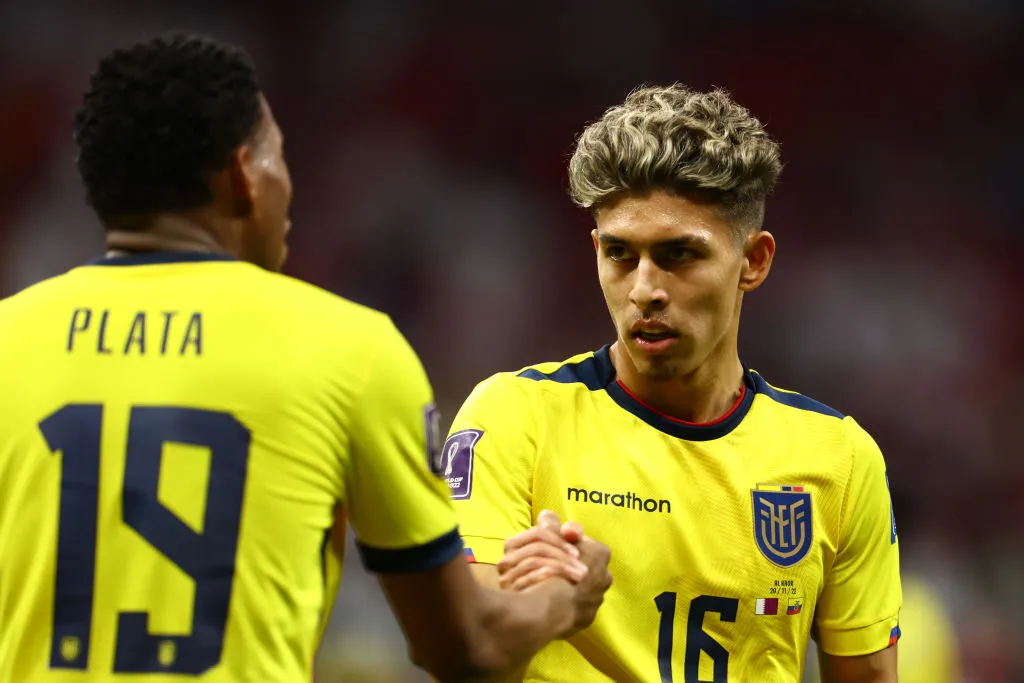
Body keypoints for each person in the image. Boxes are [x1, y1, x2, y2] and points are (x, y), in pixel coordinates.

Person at [0, 33, 611, 683]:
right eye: (279, 155)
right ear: (242, 173)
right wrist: (565, 595)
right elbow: (465, 647)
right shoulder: (351, 351)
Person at [443, 84, 902, 682]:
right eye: (620, 254)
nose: (644, 289)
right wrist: (552, 604)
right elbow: (465, 649)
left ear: (753, 261)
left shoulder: (839, 459)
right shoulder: (513, 417)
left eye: (679, 254)